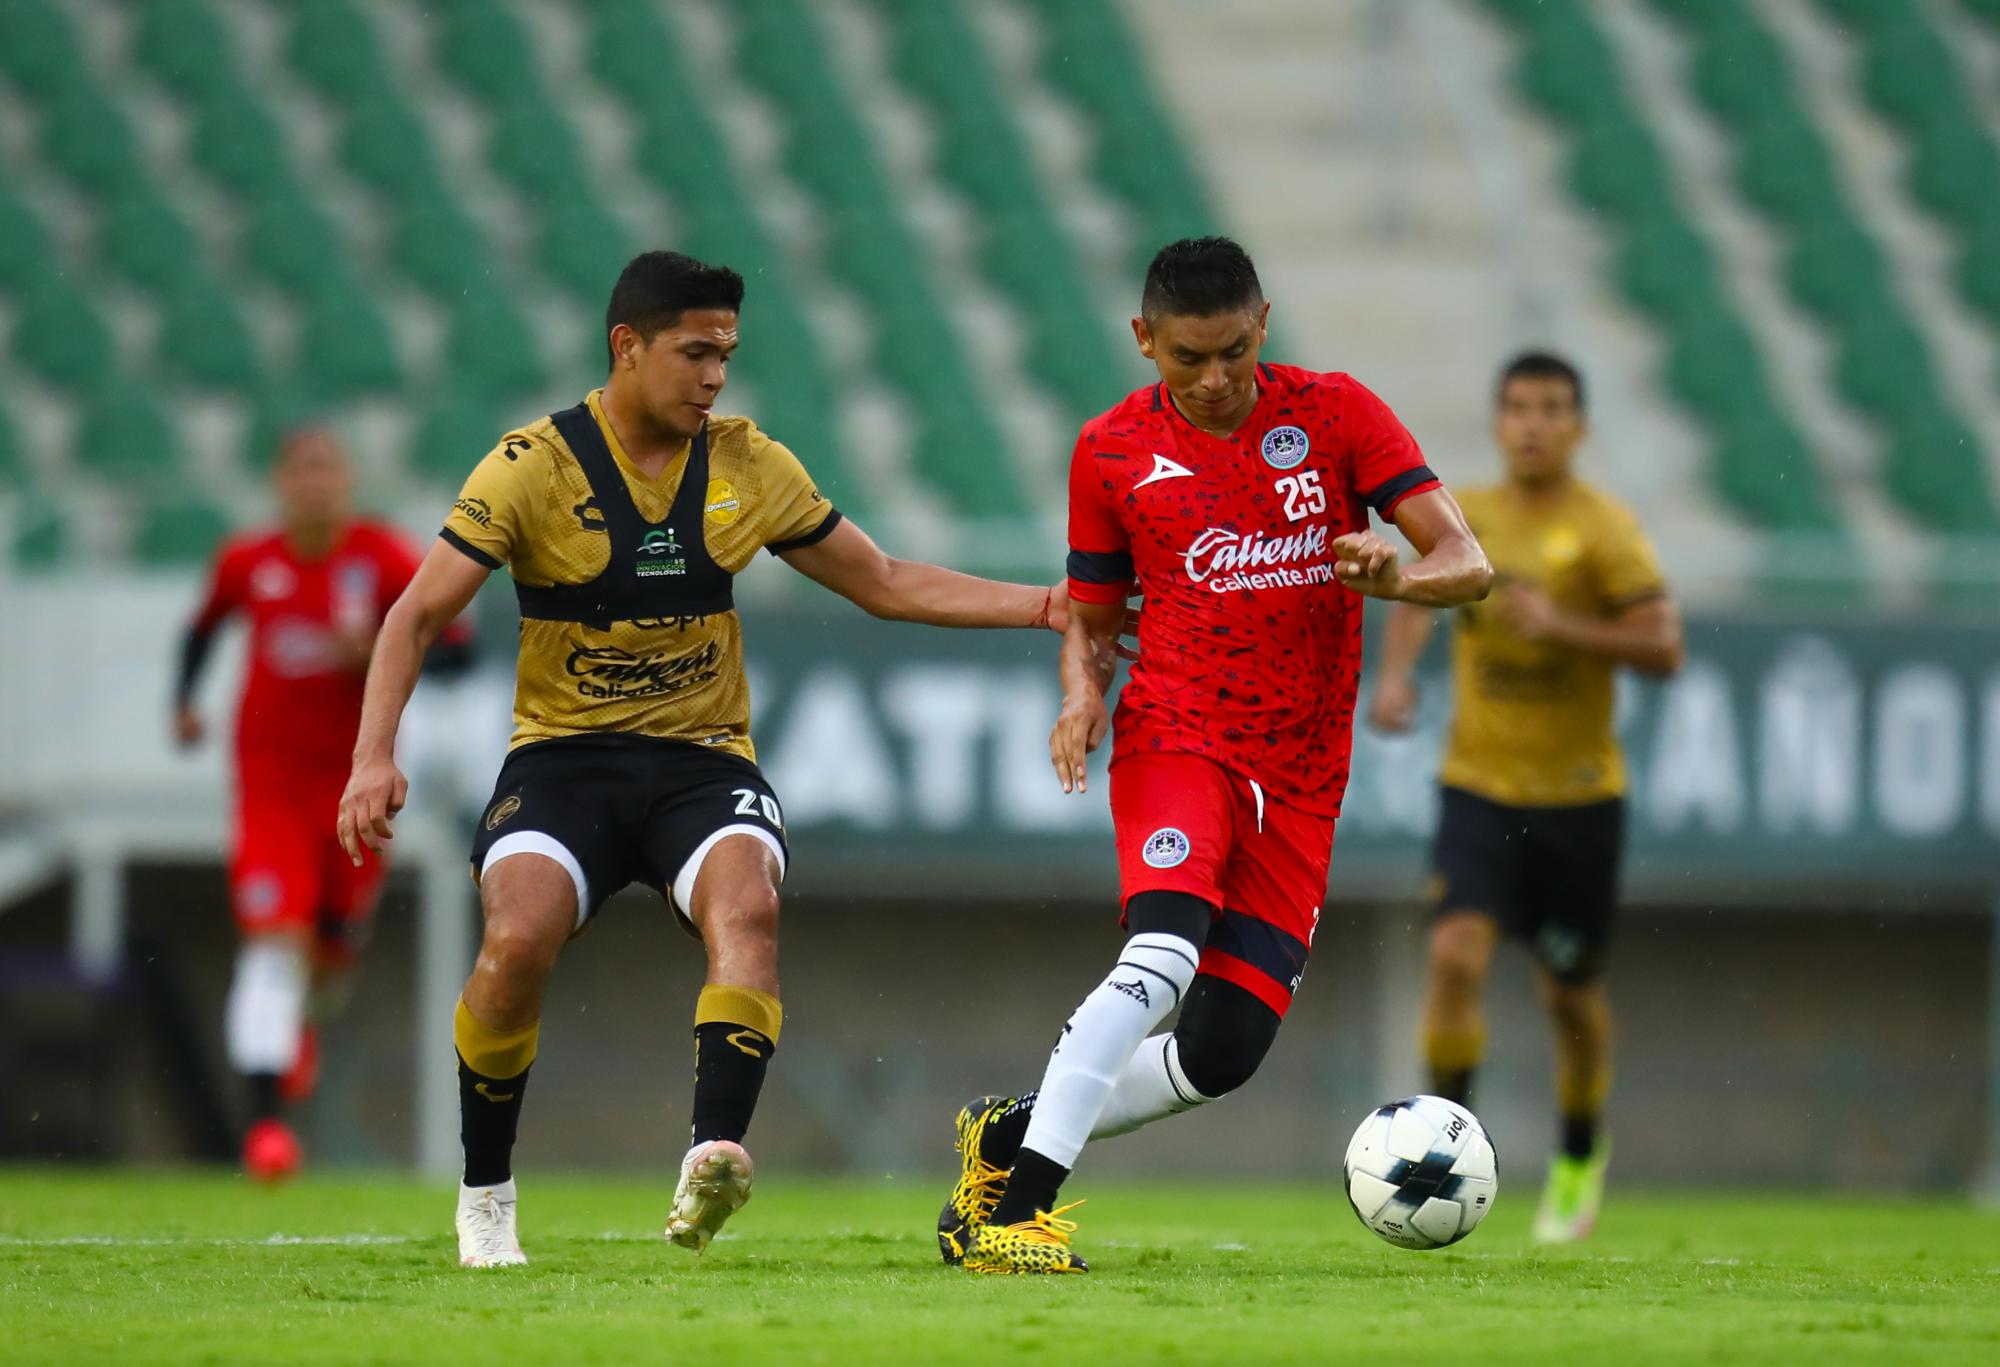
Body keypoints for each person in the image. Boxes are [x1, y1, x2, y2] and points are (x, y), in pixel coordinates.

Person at [337, 250, 1092, 1269]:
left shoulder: (749, 464)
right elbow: (414, 613)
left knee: (747, 912)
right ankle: (485, 1195)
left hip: (701, 763)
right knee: (514, 943)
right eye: (694, 352)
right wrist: (371, 756)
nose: (713, 376)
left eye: (725, 355)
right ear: (627, 346)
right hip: (564, 764)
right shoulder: (529, 466)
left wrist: (1044, 605)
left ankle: (710, 1157)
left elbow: (882, 579)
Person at [938, 237, 1493, 1275]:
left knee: (1223, 1049)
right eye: (1186, 357)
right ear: (1143, 340)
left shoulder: (1335, 415)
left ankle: (1007, 1134)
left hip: (1302, 772)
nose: (1212, 379)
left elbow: (1467, 564)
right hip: (1177, 733)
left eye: (1232, 352)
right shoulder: (1107, 450)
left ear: (1263, 324)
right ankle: (1011, 1213)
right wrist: (1078, 694)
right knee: (1159, 957)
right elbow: (1093, 617)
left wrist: (1394, 584)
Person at [1369, 350, 1683, 1243]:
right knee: (1455, 955)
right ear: (1499, 421)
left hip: (1579, 802)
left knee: (1569, 997)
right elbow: (1418, 591)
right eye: (1517, 407)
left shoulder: (1604, 529)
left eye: (1551, 408)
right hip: (1479, 786)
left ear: (1579, 427)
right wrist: (1394, 680)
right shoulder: (1470, 518)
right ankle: (1439, 1146)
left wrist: (1563, 626)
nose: (1533, 423)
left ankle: (1580, 1152)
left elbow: (1664, 643)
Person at [175, 427, 469, 1181]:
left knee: (332, 956)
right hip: (270, 784)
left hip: (355, 786)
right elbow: (203, 627)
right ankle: (267, 1129)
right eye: (300, 469)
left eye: (326, 469)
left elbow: (458, 650)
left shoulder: (382, 558)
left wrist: (376, 646)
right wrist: (184, 701)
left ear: (346, 480)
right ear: (279, 480)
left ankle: (298, 1027)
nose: (313, 483)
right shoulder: (249, 560)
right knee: (275, 943)